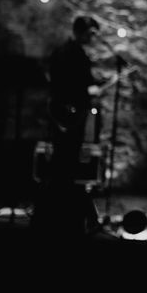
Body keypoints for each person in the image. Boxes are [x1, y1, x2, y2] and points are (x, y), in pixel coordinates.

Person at [48, 15, 101, 184]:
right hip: (73, 111)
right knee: (70, 153)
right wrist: (93, 90)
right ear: (83, 33)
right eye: (91, 33)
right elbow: (82, 84)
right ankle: (65, 195)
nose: (92, 38)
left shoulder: (61, 50)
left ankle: (57, 193)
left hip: (60, 109)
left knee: (60, 152)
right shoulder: (76, 54)